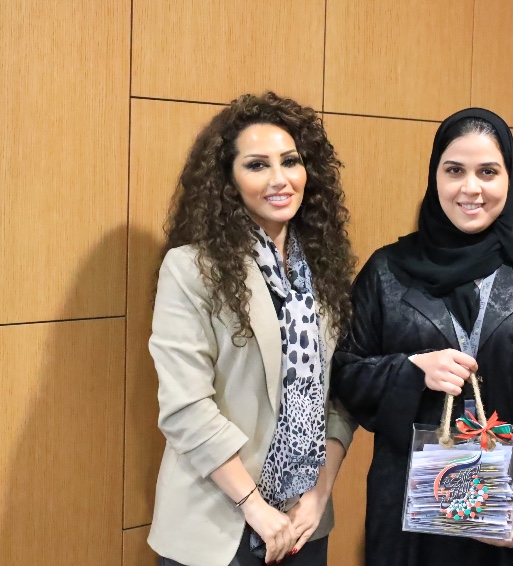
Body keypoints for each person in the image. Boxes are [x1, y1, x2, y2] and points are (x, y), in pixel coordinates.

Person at [333, 107, 513, 566]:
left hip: (506, 515)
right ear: (435, 176)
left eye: (488, 172)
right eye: (454, 170)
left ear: (508, 178)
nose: (470, 188)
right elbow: (345, 373)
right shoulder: (387, 271)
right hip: (408, 518)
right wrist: (410, 371)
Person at [147, 92, 356, 566]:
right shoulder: (190, 269)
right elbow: (185, 408)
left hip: (304, 526)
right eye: (257, 165)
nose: (280, 179)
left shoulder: (324, 271)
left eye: (290, 162)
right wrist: (256, 509)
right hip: (218, 528)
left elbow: (340, 393)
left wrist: (319, 496)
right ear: (228, 180)